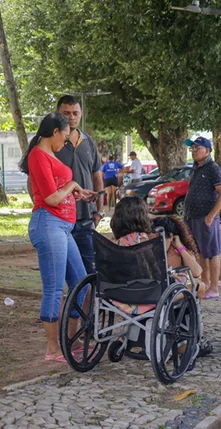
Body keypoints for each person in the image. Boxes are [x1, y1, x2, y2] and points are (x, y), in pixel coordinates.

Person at [19, 112, 95, 362]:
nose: (66, 140)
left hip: (63, 226)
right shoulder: (38, 155)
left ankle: (68, 341)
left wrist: (76, 191)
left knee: (81, 283)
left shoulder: (50, 154)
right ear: (54, 132)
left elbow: (57, 190)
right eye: (64, 135)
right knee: (53, 289)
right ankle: (52, 349)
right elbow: (50, 198)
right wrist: (72, 186)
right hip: (48, 224)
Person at [55, 95, 104, 274]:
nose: (71, 117)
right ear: (57, 113)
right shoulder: (50, 141)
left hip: (85, 218)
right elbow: (33, 180)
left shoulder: (88, 141)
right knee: (65, 273)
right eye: (66, 113)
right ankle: (72, 303)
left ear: (81, 114)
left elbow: (97, 176)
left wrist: (99, 211)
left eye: (75, 113)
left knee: (90, 273)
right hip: (59, 218)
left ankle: (86, 303)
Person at [184, 136, 221, 299]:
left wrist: (210, 216)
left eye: (197, 148)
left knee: (212, 252)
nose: (194, 151)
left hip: (205, 217)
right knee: (200, 252)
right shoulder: (195, 168)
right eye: (192, 148)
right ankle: (205, 283)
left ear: (207, 151)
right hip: (191, 216)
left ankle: (214, 288)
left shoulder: (213, 168)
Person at [152, 216, 207, 301]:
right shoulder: (150, 253)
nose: (156, 245)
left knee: (201, 286)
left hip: (176, 295)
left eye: (160, 240)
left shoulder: (182, 254)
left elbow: (197, 272)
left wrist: (180, 247)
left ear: (171, 237)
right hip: (158, 294)